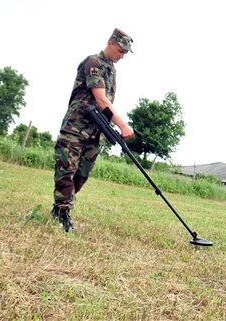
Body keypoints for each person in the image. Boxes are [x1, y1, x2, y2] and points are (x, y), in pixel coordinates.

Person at [51, 28, 136, 232]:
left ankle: (61, 208)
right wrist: (122, 125)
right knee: (66, 172)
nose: (122, 55)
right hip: (75, 128)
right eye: (121, 50)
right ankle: (62, 212)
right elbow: (100, 99)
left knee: (81, 175)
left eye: (126, 52)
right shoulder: (94, 62)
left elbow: (105, 104)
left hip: (95, 132)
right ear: (110, 42)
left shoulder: (111, 70)